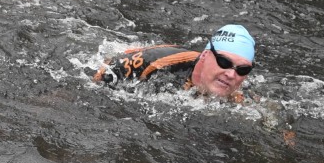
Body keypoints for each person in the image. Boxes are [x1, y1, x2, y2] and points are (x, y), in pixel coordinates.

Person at [94, 23, 256, 101]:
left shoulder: (240, 95)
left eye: (242, 70)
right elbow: (103, 75)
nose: (231, 74)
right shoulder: (159, 63)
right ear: (205, 55)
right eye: (223, 62)